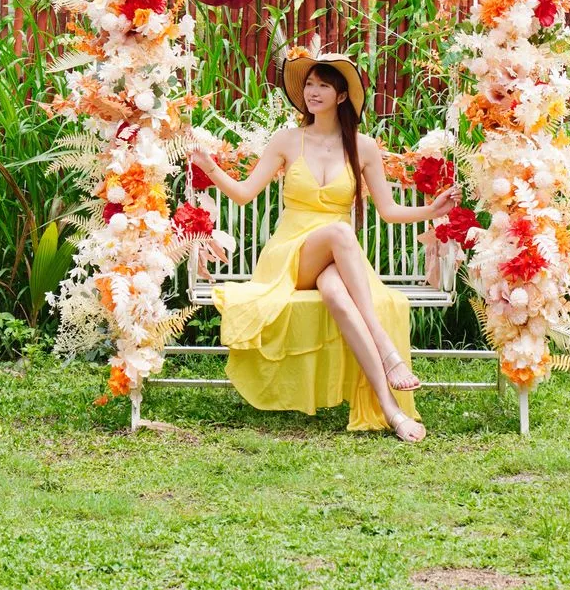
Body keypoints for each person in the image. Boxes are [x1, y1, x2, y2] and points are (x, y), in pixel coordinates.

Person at [190, 52, 460, 443]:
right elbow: (246, 194)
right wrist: (210, 167)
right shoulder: (287, 140)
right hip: (291, 261)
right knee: (340, 232)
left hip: (341, 264)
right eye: (310, 84)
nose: (312, 92)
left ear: (341, 96)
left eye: (323, 85)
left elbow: (388, 210)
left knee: (336, 291)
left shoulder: (363, 147)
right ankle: (386, 347)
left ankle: (391, 411)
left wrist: (431, 209)